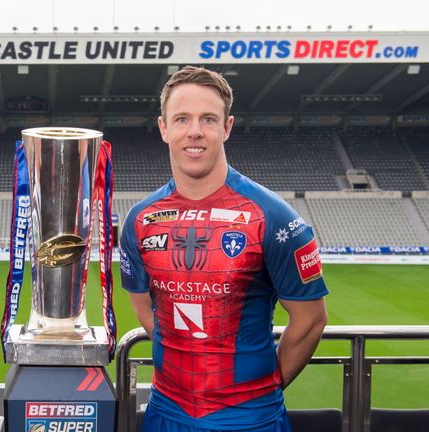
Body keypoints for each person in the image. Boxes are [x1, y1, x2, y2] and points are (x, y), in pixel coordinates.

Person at [119, 66, 328, 431]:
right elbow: (145, 309)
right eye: (182, 118)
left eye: (208, 119)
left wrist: (262, 391)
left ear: (226, 127)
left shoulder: (274, 217)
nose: (194, 131)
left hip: (251, 418)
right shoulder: (139, 220)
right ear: (164, 128)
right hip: (166, 413)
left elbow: (310, 320)